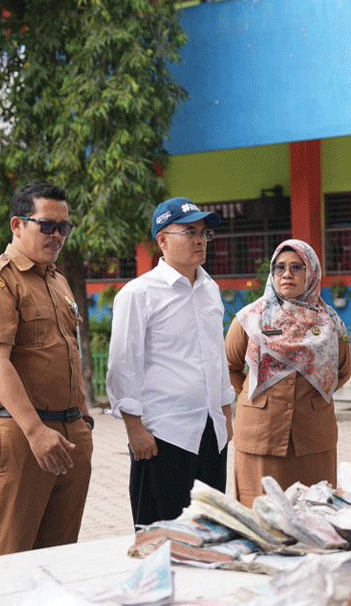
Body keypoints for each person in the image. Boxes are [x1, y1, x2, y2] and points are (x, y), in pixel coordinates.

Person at [0, 181, 93, 556]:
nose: (57, 236)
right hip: (24, 434)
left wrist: (83, 419)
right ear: (17, 225)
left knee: (60, 554)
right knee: (13, 555)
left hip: (69, 433)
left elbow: (67, 354)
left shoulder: (57, 281)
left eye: (64, 228)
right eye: (47, 226)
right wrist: (36, 431)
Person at [106, 197, 233, 528]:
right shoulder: (139, 294)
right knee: (161, 538)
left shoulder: (210, 289)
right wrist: (134, 429)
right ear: (162, 239)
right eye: (189, 231)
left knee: (210, 534)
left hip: (211, 432)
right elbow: (123, 364)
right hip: (164, 437)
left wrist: (225, 412)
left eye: (204, 233)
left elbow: (216, 354)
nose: (200, 240)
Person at [225, 239, 351, 506]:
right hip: (262, 433)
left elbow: (342, 371)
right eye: (280, 267)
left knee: (314, 514)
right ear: (272, 274)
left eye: (297, 267)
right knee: (262, 514)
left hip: (313, 435)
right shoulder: (251, 318)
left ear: (312, 273)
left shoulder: (330, 323)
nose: (287, 274)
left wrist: (313, 392)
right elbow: (228, 367)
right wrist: (256, 397)